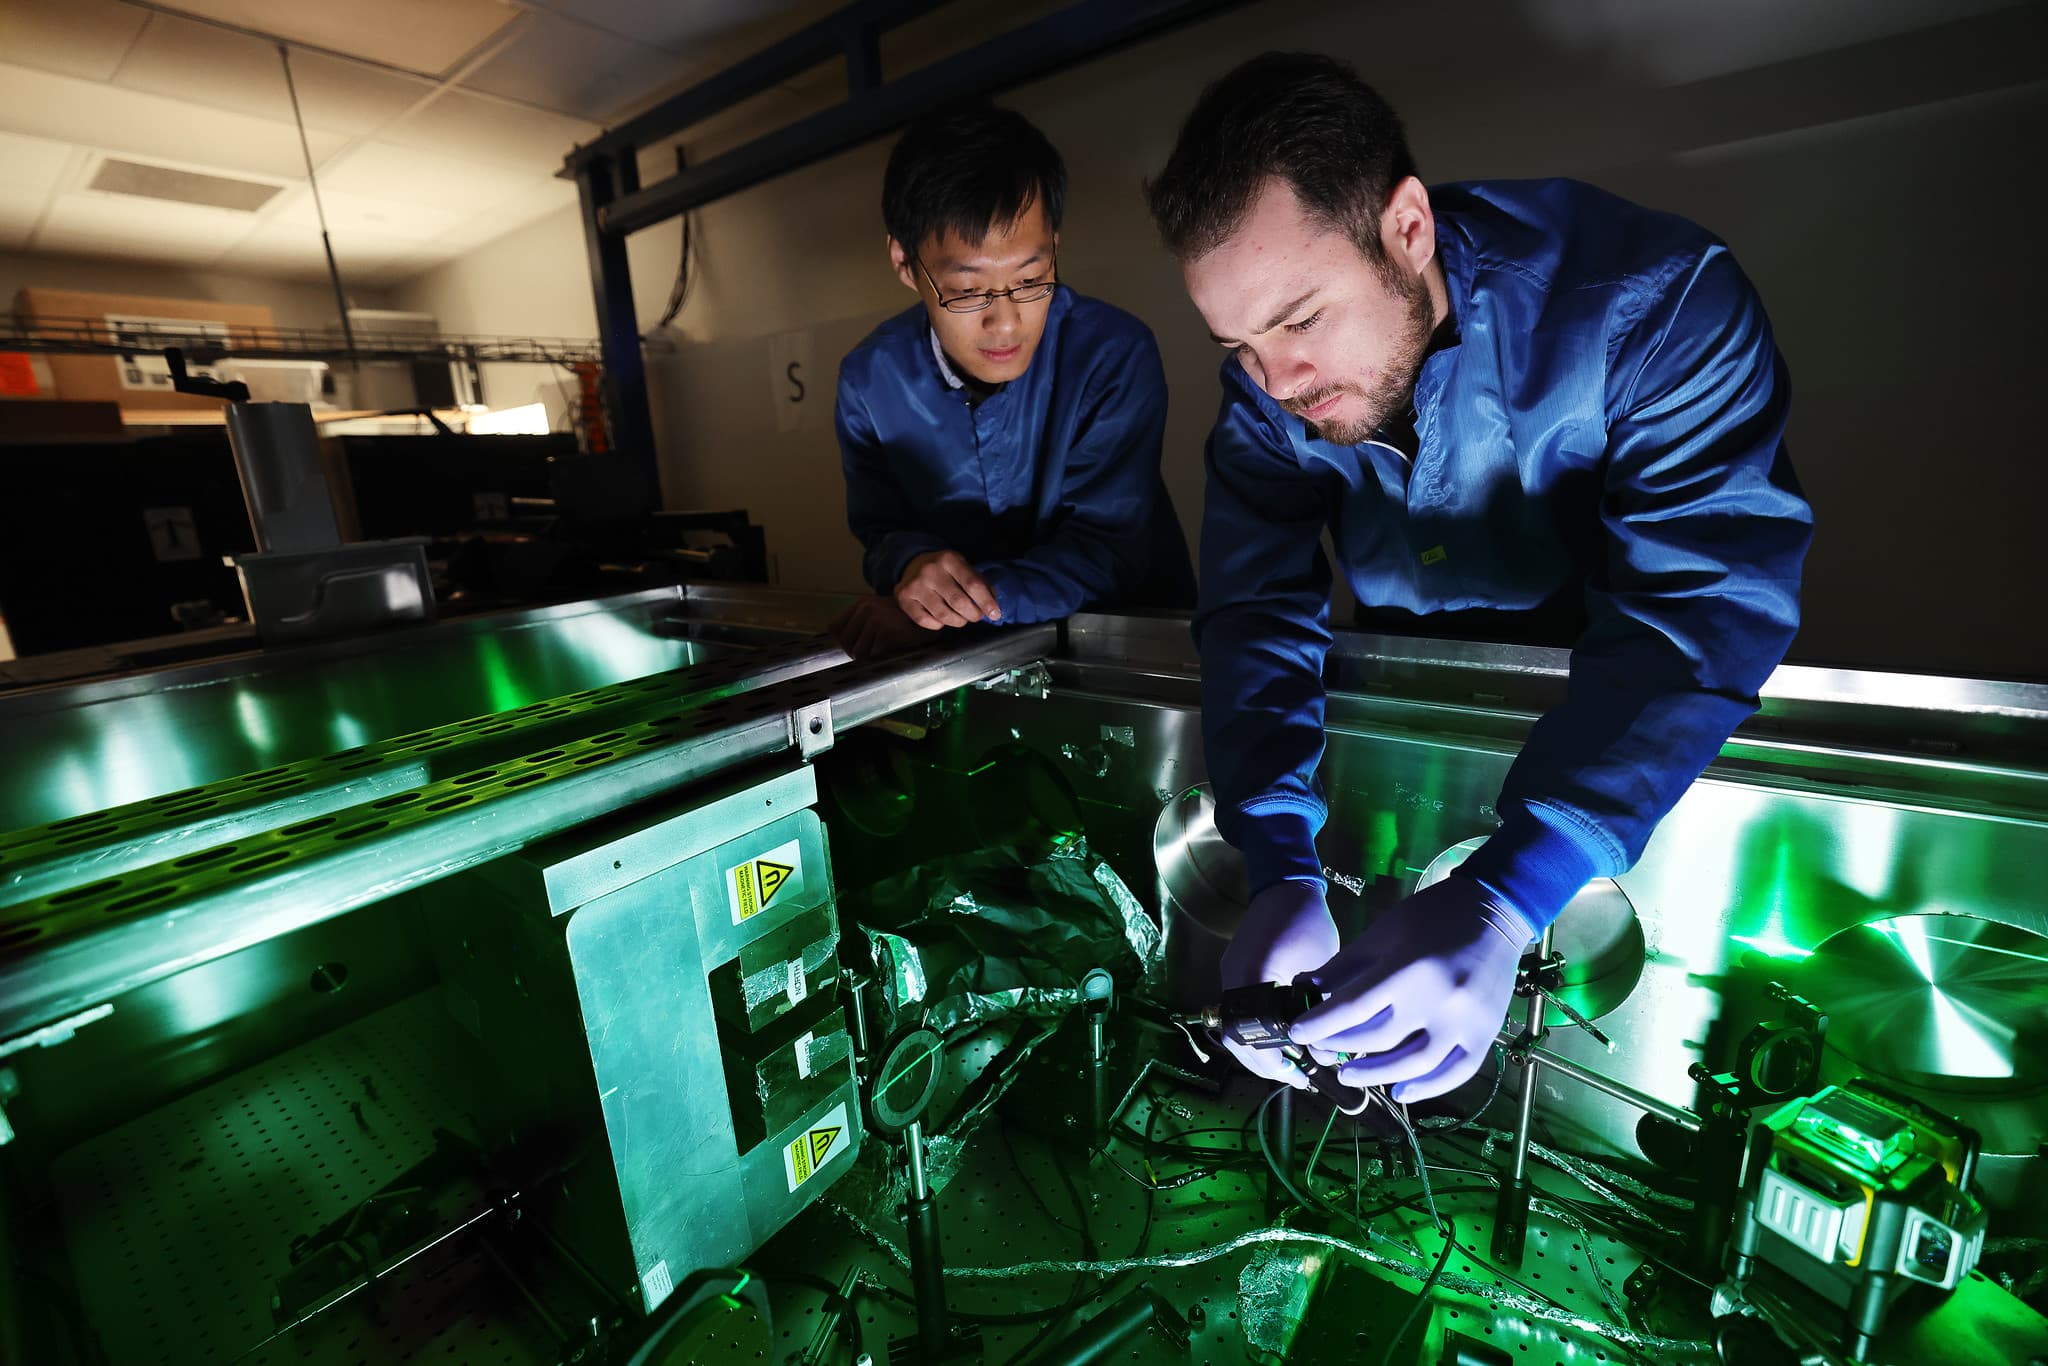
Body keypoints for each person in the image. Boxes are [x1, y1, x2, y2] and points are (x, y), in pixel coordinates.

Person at [1144, 53, 1812, 1103]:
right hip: (1390, 724)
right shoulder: (1264, 398)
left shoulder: (1659, 309)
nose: (1277, 383)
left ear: (1406, 228)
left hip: (1614, 744)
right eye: (1238, 346)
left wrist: (1505, 900)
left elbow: (1698, 616)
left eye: (1300, 320)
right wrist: (1275, 860)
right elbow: (1254, 613)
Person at [830, 102, 1195, 659]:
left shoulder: (1112, 353)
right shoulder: (869, 382)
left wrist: (959, 608)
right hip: (960, 666)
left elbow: (1106, 547)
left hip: (1125, 655)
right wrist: (913, 563)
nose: (1005, 321)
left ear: (1055, 246)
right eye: (969, 289)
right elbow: (883, 529)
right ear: (905, 264)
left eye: (1031, 278)